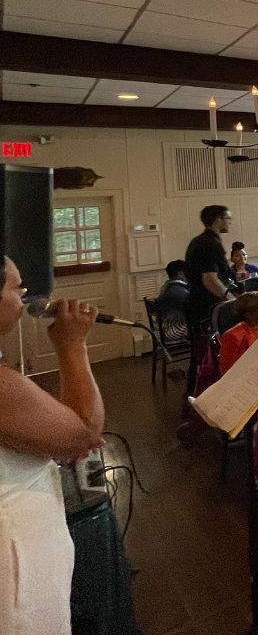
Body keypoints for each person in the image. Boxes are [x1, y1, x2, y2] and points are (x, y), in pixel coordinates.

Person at [0, 255, 104, 635]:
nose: (25, 296)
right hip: (14, 561)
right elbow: (85, 432)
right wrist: (72, 344)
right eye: (16, 287)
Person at [184, 204, 236, 395]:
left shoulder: (199, 241)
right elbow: (210, 279)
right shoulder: (209, 244)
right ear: (218, 219)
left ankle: (197, 394)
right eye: (228, 218)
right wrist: (231, 301)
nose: (230, 222)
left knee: (201, 355)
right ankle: (208, 395)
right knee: (208, 355)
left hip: (198, 307)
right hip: (208, 309)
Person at [155, 259, 190, 324]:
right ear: (180, 274)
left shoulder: (167, 287)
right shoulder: (179, 291)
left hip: (166, 327)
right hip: (176, 329)